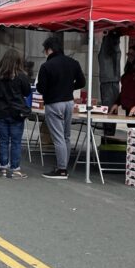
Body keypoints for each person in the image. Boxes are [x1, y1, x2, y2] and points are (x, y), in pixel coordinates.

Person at [36, 36, 86, 179]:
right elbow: (82, 82)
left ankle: (62, 169)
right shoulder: (73, 63)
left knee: (57, 137)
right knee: (66, 136)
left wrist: (51, 90)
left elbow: (41, 88)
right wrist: (69, 87)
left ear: (49, 49)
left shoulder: (46, 66)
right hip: (69, 102)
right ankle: (63, 166)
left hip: (54, 103)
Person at [0, 49, 31, 179]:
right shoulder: (21, 76)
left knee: (3, 141)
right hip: (17, 112)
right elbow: (26, 92)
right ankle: (15, 170)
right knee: (16, 142)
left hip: (1, 112)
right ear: (18, 61)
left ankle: (3, 168)